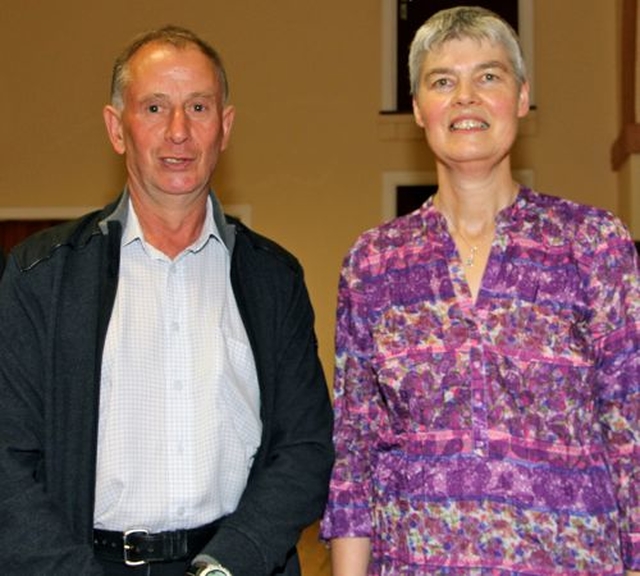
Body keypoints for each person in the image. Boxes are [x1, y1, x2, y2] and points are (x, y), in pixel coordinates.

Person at [0, 25, 334, 576]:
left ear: (224, 128)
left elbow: (304, 449)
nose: (178, 131)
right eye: (154, 107)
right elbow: (6, 463)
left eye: (198, 107)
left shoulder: (274, 280)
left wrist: (227, 564)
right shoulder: (40, 278)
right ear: (116, 128)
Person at [321, 6, 639, 575]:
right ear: (419, 109)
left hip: (572, 560)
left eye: (488, 76)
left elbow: (631, 426)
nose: (466, 96)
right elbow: (355, 450)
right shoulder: (374, 262)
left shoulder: (593, 243)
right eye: (443, 81)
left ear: (520, 97)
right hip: (416, 560)